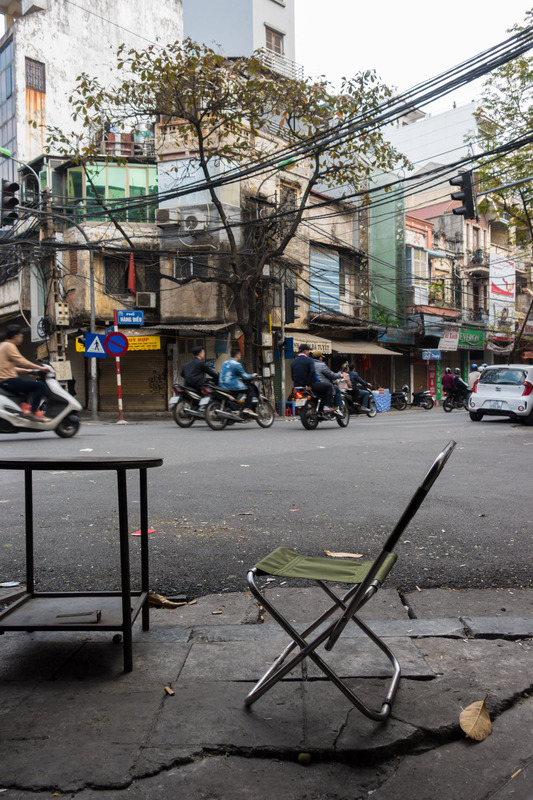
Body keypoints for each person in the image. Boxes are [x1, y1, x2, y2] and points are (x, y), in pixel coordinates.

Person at [0, 324, 49, 419]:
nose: (21, 338)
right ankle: (33, 411)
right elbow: (21, 361)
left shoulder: (2, 345)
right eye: (21, 336)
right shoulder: (9, 346)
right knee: (41, 386)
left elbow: (8, 367)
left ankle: (25, 410)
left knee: (26, 388)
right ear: (15, 336)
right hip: (8, 381)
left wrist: (26, 371)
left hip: (4, 382)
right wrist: (41, 368)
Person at [290, 344, 333, 412]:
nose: (309, 352)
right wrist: (308, 384)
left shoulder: (293, 362)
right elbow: (312, 372)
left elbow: (292, 376)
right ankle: (326, 407)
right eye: (308, 351)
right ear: (304, 351)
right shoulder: (309, 360)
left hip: (298, 386)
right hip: (309, 385)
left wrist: (296, 385)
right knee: (329, 387)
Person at [218, 347, 258, 416]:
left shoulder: (225, 363)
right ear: (237, 355)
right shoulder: (236, 365)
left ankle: (236, 409)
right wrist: (253, 375)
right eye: (240, 355)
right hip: (233, 386)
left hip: (223, 386)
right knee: (250, 389)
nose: (240, 356)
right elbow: (245, 376)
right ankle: (247, 408)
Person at [312, 351, 342, 416]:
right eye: (321, 357)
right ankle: (336, 408)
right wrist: (339, 375)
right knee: (336, 389)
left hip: (312, 384)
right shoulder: (322, 365)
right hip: (321, 384)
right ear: (320, 358)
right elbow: (331, 375)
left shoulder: (310, 364)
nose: (322, 359)